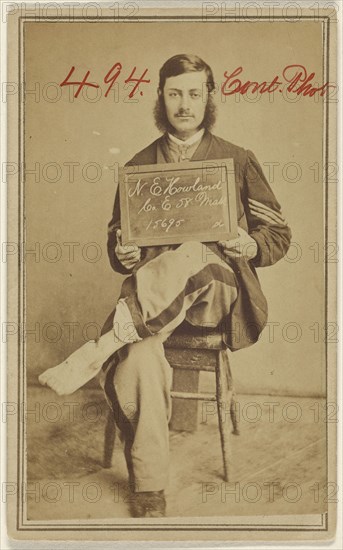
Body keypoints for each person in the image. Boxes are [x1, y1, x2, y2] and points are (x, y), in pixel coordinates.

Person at [39, 54, 292, 517]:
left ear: (209, 98)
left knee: (198, 254)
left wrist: (248, 245)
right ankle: (150, 485)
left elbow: (278, 234)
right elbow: (118, 245)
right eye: (174, 93)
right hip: (156, 309)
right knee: (138, 356)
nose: (184, 104)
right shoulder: (139, 166)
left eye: (194, 93)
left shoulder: (237, 159)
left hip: (217, 291)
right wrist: (125, 254)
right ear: (161, 97)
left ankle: (106, 339)